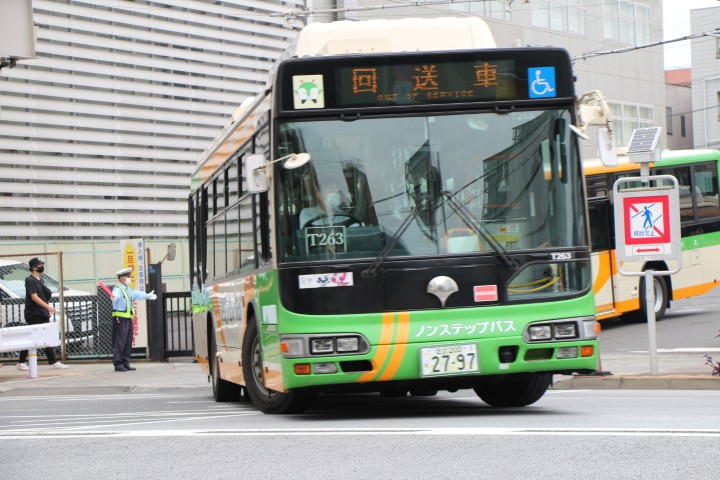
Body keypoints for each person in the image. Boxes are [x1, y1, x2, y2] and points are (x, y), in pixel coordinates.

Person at [16, 258, 68, 371]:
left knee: (46, 336)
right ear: (34, 267)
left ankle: (53, 362)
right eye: (40, 264)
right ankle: (21, 362)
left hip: (42, 312)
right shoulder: (30, 280)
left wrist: (46, 307)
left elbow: (43, 294)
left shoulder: (41, 280)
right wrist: (48, 307)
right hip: (34, 313)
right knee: (33, 337)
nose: (42, 266)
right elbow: (34, 297)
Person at [111, 267, 156, 372]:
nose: (130, 278)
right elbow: (115, 295)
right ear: (122, 278)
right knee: (120, 342)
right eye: (128, 276)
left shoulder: (127, 289)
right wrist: (114, 297)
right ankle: (118, 364)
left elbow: (137, 294)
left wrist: (147, 296)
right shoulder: (117, 289)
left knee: (127, 342)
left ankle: (125, 362)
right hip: (120, 318)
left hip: (127, 319)